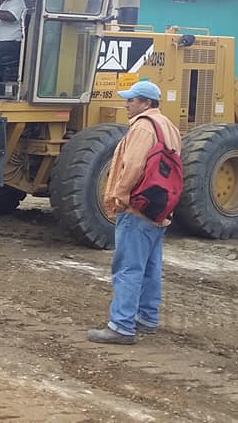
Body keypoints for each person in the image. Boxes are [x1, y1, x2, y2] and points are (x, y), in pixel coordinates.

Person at [87, 80, 182, 345]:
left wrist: (120, 196)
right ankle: (147, 317)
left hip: (137, 208)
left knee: (127, 268)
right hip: (158, 207)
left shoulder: (142, 127)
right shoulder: (168, 126)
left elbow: (133, 166)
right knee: (150, 266)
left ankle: (121, 326)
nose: (126, 104)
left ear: (146, 103)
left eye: (131, 100)